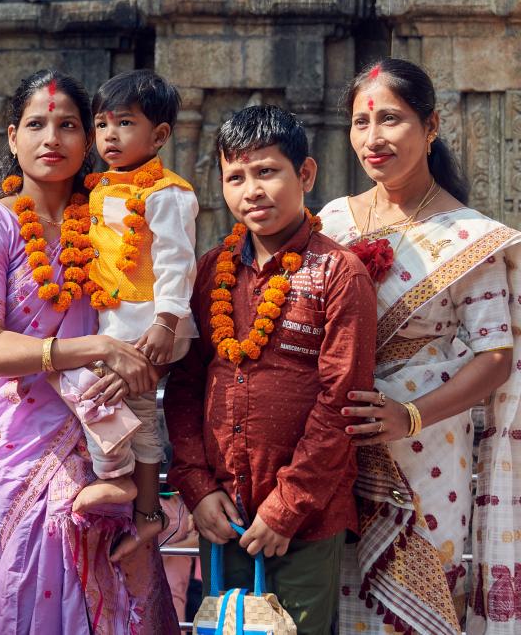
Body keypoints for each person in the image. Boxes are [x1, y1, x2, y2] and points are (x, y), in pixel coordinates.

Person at [0, 68, 179, 634]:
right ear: (11, 137)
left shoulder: (114, 214)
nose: (51, 138)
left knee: (123, 576)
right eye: (36, 124)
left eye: (68, 124)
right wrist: (97, 346)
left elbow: (163, 292)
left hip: (112, 432)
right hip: (30, 443)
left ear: (89, 140)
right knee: (37, 584)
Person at [318, 57, 521, 634]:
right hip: (336, 445)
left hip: (428, 449)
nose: (373, 138)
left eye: (391, 119)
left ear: (430, 127)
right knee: (336, 601)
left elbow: (495, 358)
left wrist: (406, 417)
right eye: (361, 122)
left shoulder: (469, 236)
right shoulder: (333, 221)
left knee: (417, 614)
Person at [165, 105, 377, 634]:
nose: (251, 190)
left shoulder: (338, 272)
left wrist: (288, 506)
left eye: (267, 172)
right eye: (235, 176)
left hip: (306, 519)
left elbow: (341, 401)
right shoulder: (213, 270)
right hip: (224, 512)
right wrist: (194, 484)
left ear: (305, 174)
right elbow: (187, 385)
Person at [58, 69, 198, 528]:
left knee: (85, 386)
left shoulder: (167, 192)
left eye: (124, 123)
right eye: (101, 124)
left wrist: (167, 322)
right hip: (118, 323)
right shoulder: (98, 189)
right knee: (125, 404)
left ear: (158, 136)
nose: (109, 135)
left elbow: (177, 260)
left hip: (151, 324)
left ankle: (118, 477)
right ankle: (136, 495)